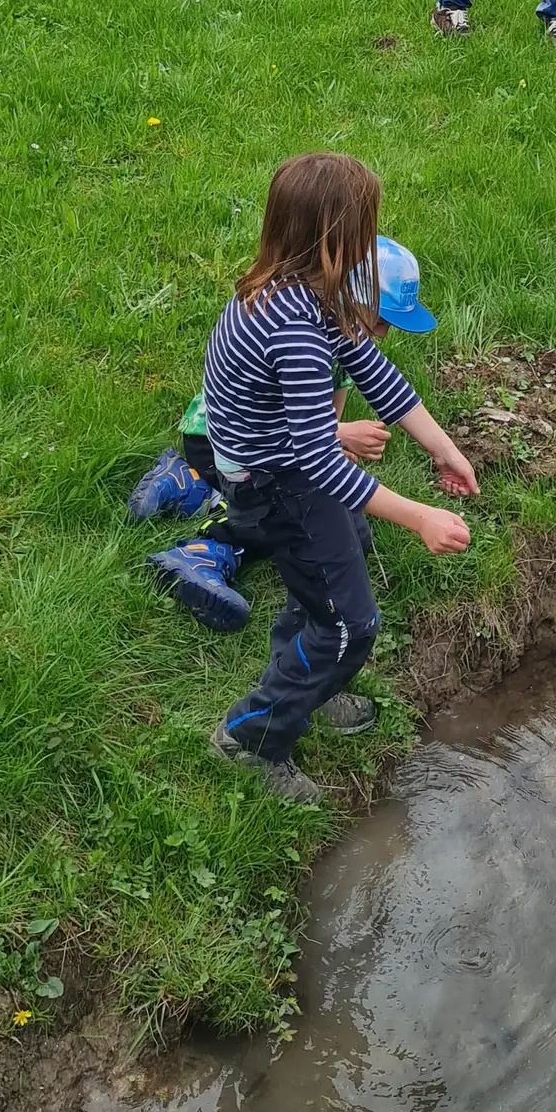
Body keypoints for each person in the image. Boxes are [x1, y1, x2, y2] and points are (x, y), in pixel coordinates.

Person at [162, 155, 478, 805]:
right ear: (335, 238)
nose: (371, 239)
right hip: (276, 483)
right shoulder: (296, 330)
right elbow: (319, 461)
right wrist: (418, 515)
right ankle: (251, 737)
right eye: (365, 227)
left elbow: (376, 375)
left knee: (339, 571)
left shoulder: (309, 292)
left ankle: (309, 682)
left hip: (284, 468)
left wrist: (444, 449)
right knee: (348, 626)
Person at [134, 234, 435, 645]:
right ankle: (206, 551)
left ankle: (185, 481)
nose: (382, 333)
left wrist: (443, 451)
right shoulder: (307, 340)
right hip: (236, 449)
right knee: (288, 521)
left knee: (321, 516)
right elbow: (311, 449)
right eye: (382, 320)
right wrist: (343, 437)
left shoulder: (308, 313)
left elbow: (321, 424)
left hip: (212, 435)